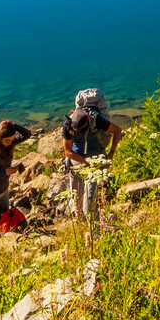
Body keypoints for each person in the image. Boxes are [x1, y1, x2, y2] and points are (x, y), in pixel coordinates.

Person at [62, 87, 121, 225]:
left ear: (88, 122)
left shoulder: (97, 120)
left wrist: (110, 154)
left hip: (95, 160)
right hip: (78, 161)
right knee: (75, 196)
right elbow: (67, 151)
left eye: (82, 131)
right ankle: (79, 224)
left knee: (89, 199)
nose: (80, 133)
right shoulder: (67, 125)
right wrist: (85, 162)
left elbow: (117, 131)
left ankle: (93, 227)